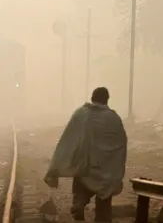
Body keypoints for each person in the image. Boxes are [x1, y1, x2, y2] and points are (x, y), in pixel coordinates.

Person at [44, 87, 127, 222]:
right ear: (107, 100)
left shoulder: (82, 114)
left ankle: (79, 206)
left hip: (86, 169)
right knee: (104, 205)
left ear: (92, 98)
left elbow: (68, 141)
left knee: (80, 193)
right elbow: (121, 143)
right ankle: (102, 218)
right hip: (107, 172)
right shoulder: (114, 118)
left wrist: (56, 166)